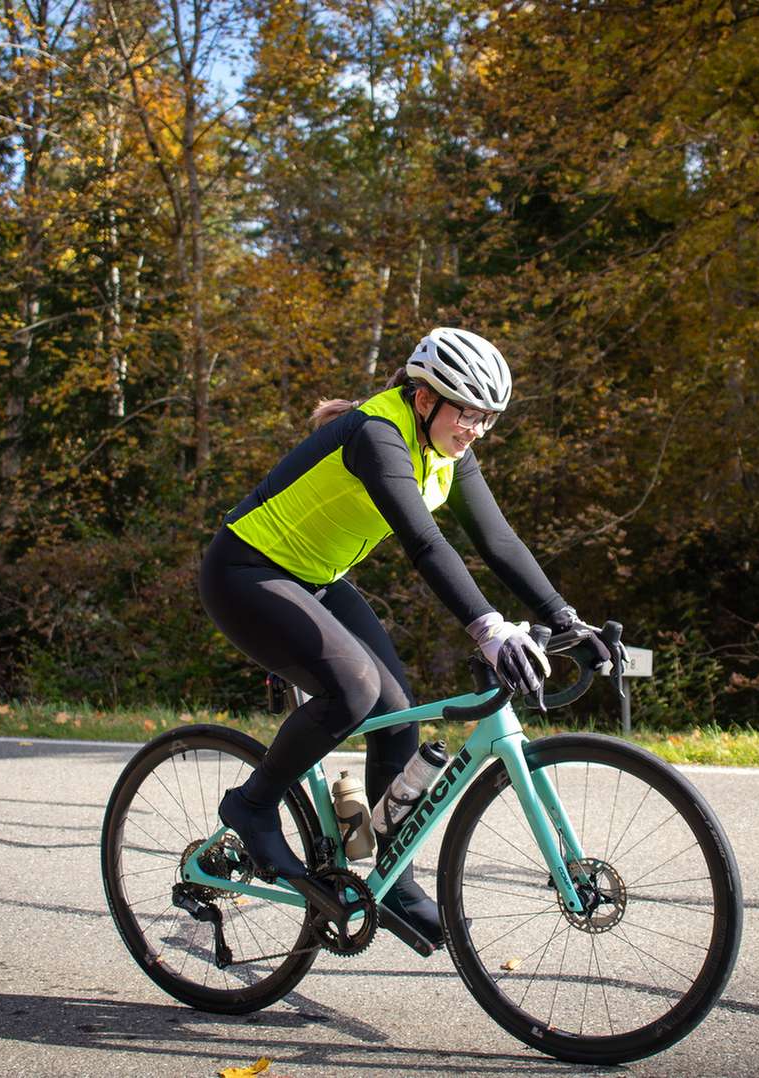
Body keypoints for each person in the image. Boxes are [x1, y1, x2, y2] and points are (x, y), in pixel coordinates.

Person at [199, 326, 579, 947]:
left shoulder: (450, 450)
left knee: (399, 713)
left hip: (314, 578)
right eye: (468, 412)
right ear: (425, 398)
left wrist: (566, 618)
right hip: (245, 571)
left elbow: (497, 541)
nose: (476, 429)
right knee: (353, 689)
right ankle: (253, 805)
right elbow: (425, 544)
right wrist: (488, 629)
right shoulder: (377, 434)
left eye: (488, 417)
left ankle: (393, 883)